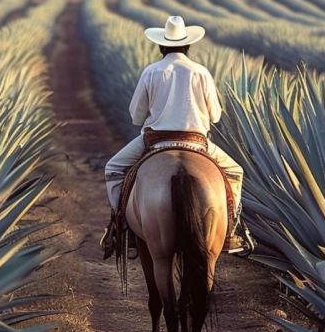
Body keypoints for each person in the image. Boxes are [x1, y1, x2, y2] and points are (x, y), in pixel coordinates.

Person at [101, 15, 247, 257]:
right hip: (197, 143)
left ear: (162, 45)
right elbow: (216, 116)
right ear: (188, 45)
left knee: (113, 168)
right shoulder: (201, 72)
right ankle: (232, 231)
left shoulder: (151, 72)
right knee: (235, 172)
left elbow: (136, 116)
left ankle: (120, 227)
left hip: (156, 140)